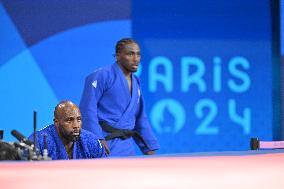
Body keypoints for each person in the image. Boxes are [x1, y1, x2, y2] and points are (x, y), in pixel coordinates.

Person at [80, 38, 160, 156]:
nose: (136, 59)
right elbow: (87, 109)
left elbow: (140, 118)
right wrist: (97, 139)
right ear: (118, 56)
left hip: (126, 147)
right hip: (104, 142)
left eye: (138, 54)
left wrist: (149, 148)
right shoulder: (101, 75)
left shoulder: (136, 82)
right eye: (130, 54)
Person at [28, 101, 106, 160]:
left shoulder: (91, 141)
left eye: (78, 119)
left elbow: (104, 171)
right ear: (56, 122)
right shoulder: (39, 141)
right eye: (69, 120)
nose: (76, 125)